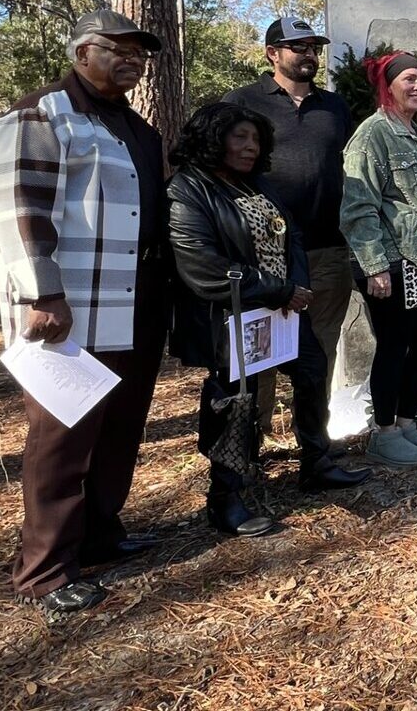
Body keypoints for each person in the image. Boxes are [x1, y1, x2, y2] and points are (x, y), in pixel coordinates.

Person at [0, 10, 168, 615]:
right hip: (70, 307)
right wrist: (43, 293)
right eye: (117, 49)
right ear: (81, 52)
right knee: (62, 438)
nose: (132, 61)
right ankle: (43, 571)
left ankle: (98, 533)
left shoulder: (135, 128)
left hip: (136, 301)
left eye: (139, 54)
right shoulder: (41, 114)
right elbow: (20, 210)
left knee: (120, 428)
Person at [168, 104, 369, 538]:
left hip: (282, 309)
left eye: (256, 140)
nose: (249, 147)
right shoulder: (187, 189)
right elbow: (199, 264)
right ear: (212, 139)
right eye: (239, 137)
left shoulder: (254, 184)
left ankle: (316, 462)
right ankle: (225, 499)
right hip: (230, 314)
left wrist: (293, 287)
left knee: (313, 373)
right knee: (234, 400)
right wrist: (277, 290)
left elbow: (290, 235)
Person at [223, 17, 353, 436]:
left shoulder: (335, 107)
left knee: (321, 350)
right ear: (272, 54)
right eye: (299, 47)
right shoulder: (242, 103)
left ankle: (313, 439)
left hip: (326, 248)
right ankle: (248, 444)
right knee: (257, 353)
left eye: (314, 47)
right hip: (261, 254)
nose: (309, 54)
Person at [340, 51, 417, 464]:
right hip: (394, 260)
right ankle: (383, 432)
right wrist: (374, 265)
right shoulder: (372, 135)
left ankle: (407, 422)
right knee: (395, 344)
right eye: (408, 79)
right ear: (387, 86)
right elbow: (358, 206)